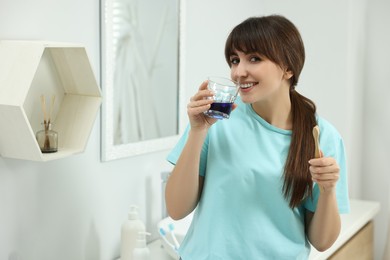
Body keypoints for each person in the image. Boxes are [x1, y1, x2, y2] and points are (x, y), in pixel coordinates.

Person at [165, 14, 350, 260]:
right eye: (234, 60)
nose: (239, 72)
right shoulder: (215, 120)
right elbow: (176, 210)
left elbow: (322, 241)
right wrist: (198, 132)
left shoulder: (322, 136)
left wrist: (327, 191)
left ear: (288, 68)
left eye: (254, 58)